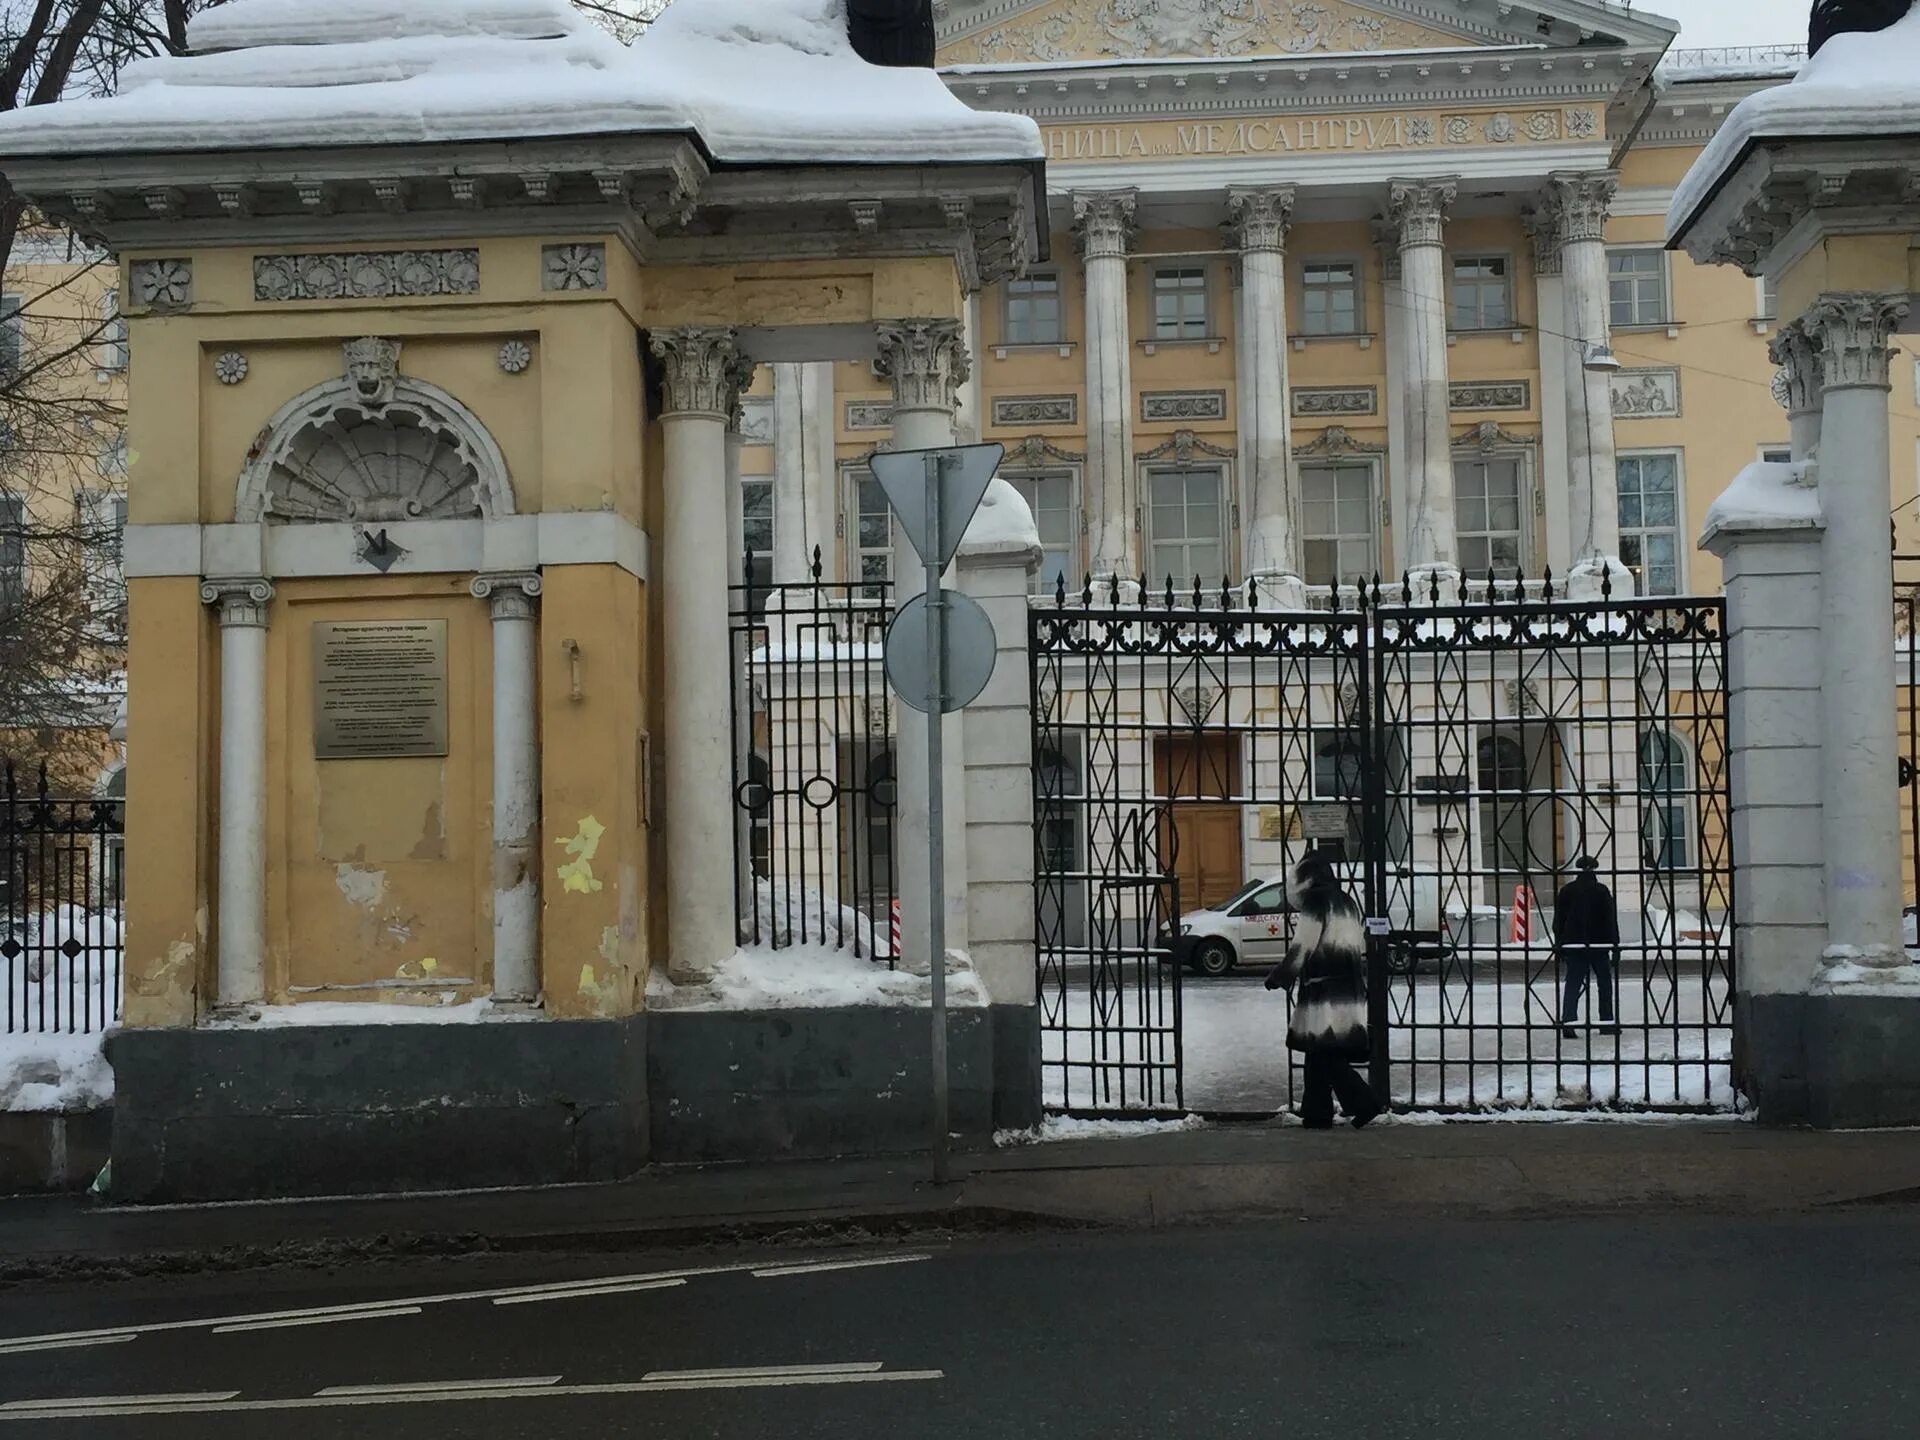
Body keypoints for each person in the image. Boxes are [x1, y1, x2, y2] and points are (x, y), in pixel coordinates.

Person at [1265, 851, 1381, 1130]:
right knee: (1318, 1052)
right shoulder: (1347, 902)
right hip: (1349, 987)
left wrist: (1279, 976)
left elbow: (1303, 946)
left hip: (1324, 990)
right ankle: (1316, 1112)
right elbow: (1359, 945)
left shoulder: (1316, 902)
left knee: (1326, 1054)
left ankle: (1364, 1103)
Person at [1554, 856, 1620, 1040]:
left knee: (1573, 983)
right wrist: (1615, 945)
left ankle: (1568, 1021)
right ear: (1594, 871)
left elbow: (1558, 921)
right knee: (1604, 984)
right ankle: (1606, 1021)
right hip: (1599, 944)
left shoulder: (1567, 891)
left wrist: (1559, 944)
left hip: (1574, 944)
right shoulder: (1601, 891)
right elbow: (1610, 920)